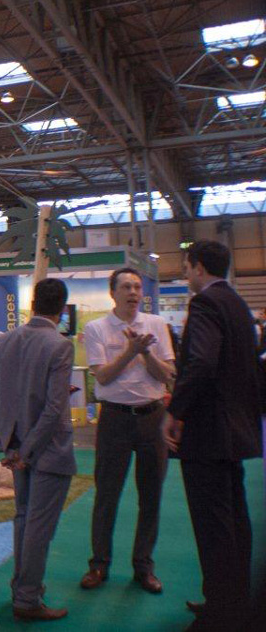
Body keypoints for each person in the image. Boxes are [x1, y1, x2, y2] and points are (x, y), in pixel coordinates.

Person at [162, 240, 262, 630]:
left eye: (187, 267)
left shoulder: (204, 303)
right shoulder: (239, 306)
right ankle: (234, 602)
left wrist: (176, 411)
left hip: (208, 434)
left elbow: (202, 362)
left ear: (198, 267)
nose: (186, 275)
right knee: (236, 520)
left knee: (213, 524)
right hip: (236, 432)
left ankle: (221, 612)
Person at [0, 278, 76, 622]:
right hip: (47, 450)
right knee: (38, 526)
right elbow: (54, 408)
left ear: (33, 303)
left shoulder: (4, 342)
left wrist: (9, 442)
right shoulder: (60, 346)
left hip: (16, 447)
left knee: (24, 520)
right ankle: (26, 597)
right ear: (62, 309)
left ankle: (22, 588)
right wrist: (27, 450)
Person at [79, 268, 174, 594]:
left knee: (152, 497)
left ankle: (143, 567)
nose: (133, 291)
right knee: (107, 495)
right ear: (113, 292)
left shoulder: (157, 325)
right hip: (115, 420)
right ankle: (99, 565)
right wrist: (129, 352)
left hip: (152, 418)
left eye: (137, 286)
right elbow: (102, 377)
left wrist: (145, 351)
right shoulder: (96, 328)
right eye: (126, 286)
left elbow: (167, 375)